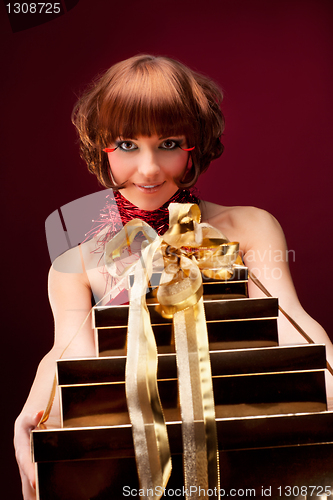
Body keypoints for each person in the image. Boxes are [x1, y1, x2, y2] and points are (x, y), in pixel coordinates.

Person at [14, 54, 333, 500]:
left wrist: (332, 377)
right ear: (100, 148)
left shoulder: (251, 227)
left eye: (167, 143)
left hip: (249, 446)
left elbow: (290, 321)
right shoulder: (77, 264)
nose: (148, 169)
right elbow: (70, 356)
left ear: (193, 148)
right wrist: (31, 411)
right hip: (134, 461)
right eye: (126, 144)